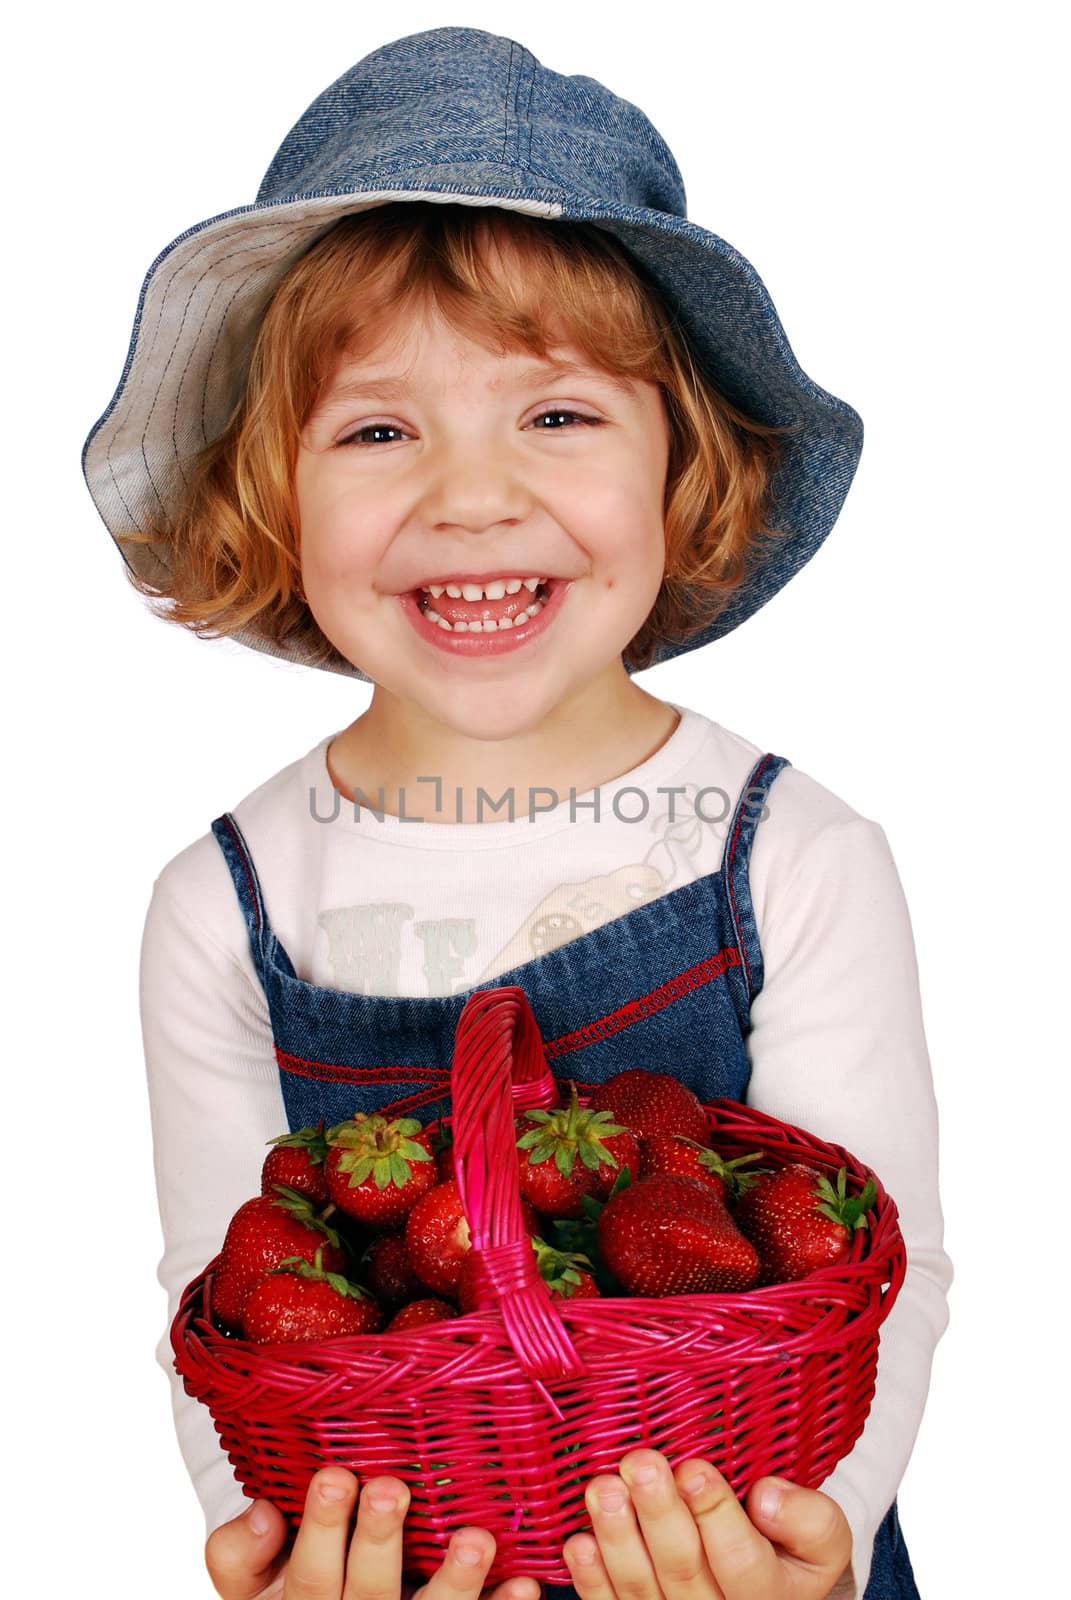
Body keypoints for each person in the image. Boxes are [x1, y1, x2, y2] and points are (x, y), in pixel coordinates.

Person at [82, 26, 952, 1600]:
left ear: (682, 466)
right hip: (423, 1569)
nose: (471, 497)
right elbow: (223, 1302)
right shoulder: (224, 905)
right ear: (273, 495)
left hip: (734, 1553)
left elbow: (876, 1276)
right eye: (376, 430)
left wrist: (814, 1543)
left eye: (556, 416)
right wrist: (279, 1546)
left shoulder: (792, 852)